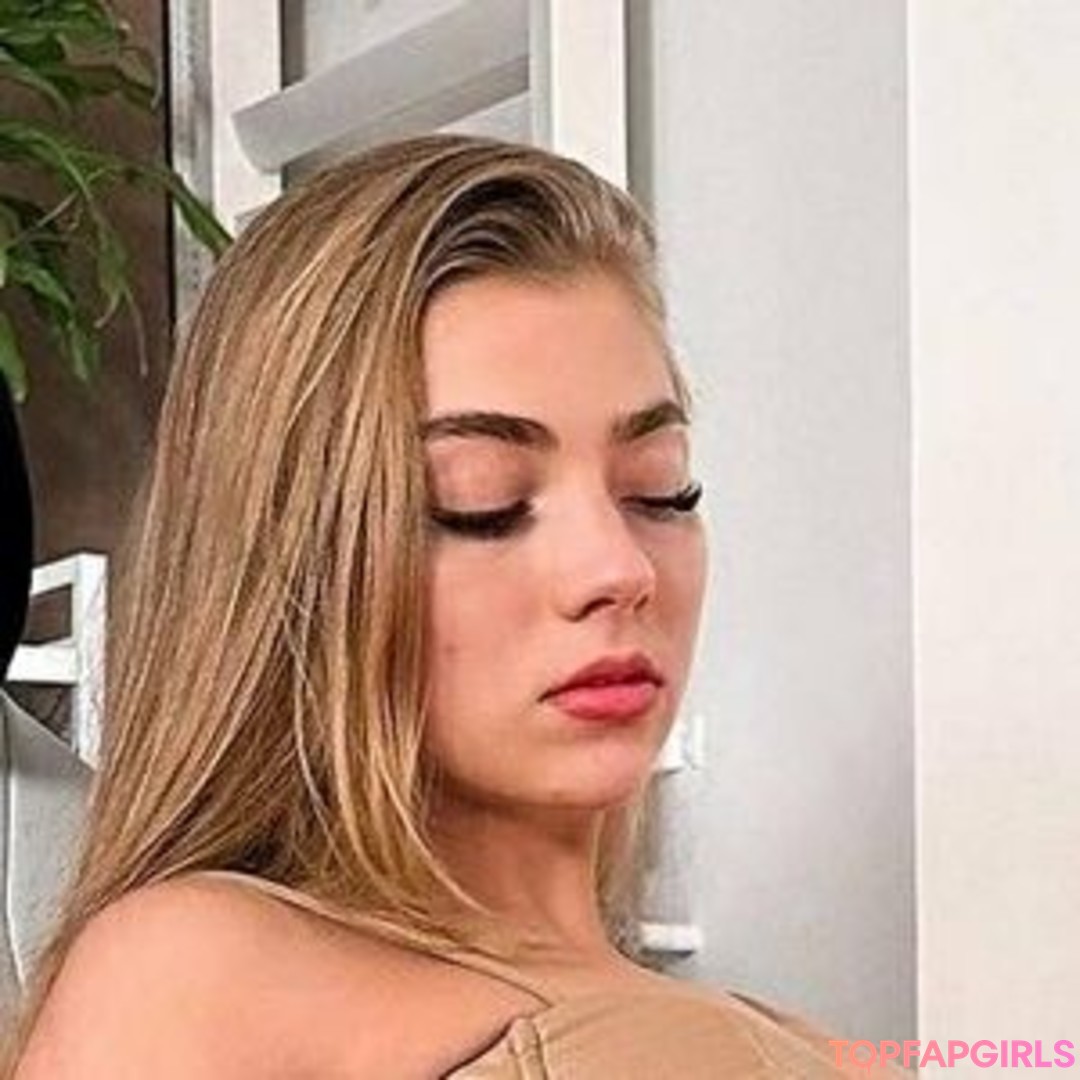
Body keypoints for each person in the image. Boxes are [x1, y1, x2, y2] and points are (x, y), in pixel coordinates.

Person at [4, 134, 882, 1077]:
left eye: (657, 488)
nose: (618, 568)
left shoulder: (813, 1045)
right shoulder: (197, 976)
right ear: (295, 563)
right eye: (482, 501)